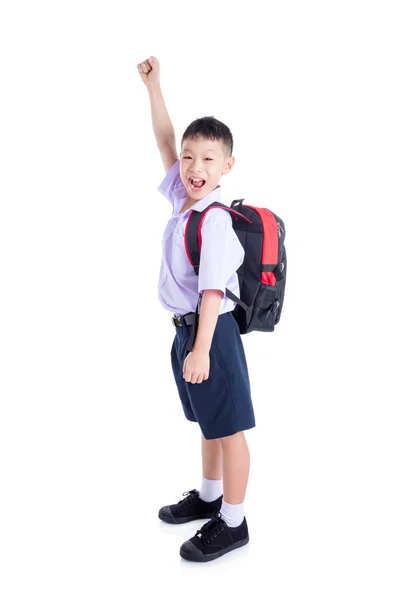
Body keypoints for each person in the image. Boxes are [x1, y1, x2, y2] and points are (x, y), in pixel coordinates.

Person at [137, 55, 256, 563]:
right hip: (188, 333)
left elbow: (212, 292)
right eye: (189, 158)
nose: (193, 167)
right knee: (209, 422)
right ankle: (209, 497)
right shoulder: (184, 203)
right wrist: (154, 88)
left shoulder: (213, 221)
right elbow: (165, 140)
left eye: (208, 159)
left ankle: (233, 521)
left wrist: (202, 348)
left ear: (227, 165)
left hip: (212, 334)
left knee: (228, 429)